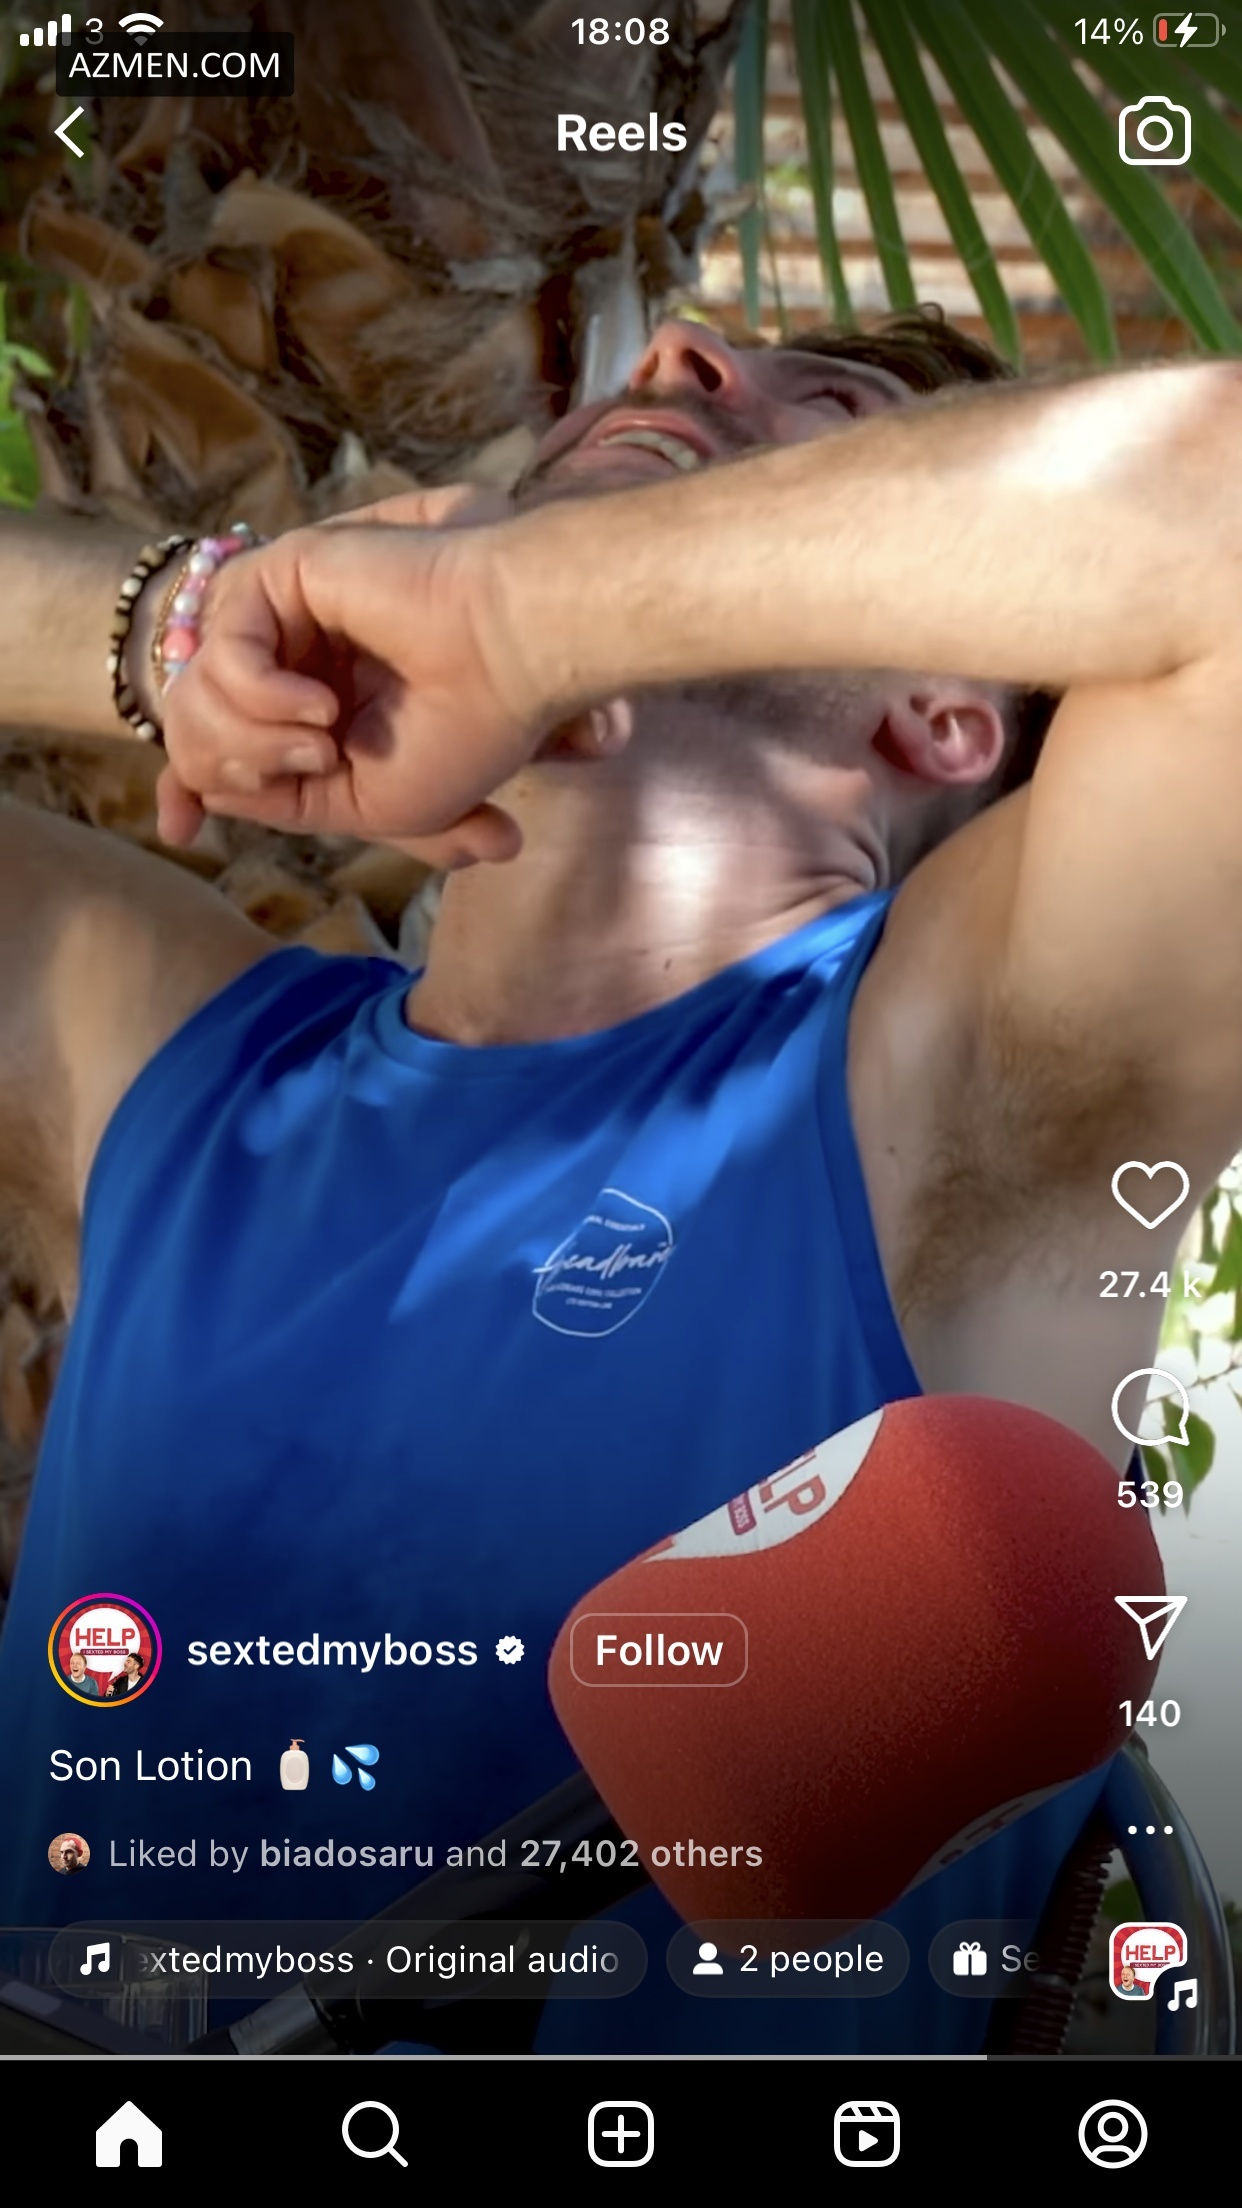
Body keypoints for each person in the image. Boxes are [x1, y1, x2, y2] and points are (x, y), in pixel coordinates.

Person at [1, 310, 1239, 2061]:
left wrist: (516, 607)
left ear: (947, 713)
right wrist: (183, 634)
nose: (678, 352)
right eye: (669, 371)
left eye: (834, 412)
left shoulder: (961, 1082)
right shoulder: (173, 1061)